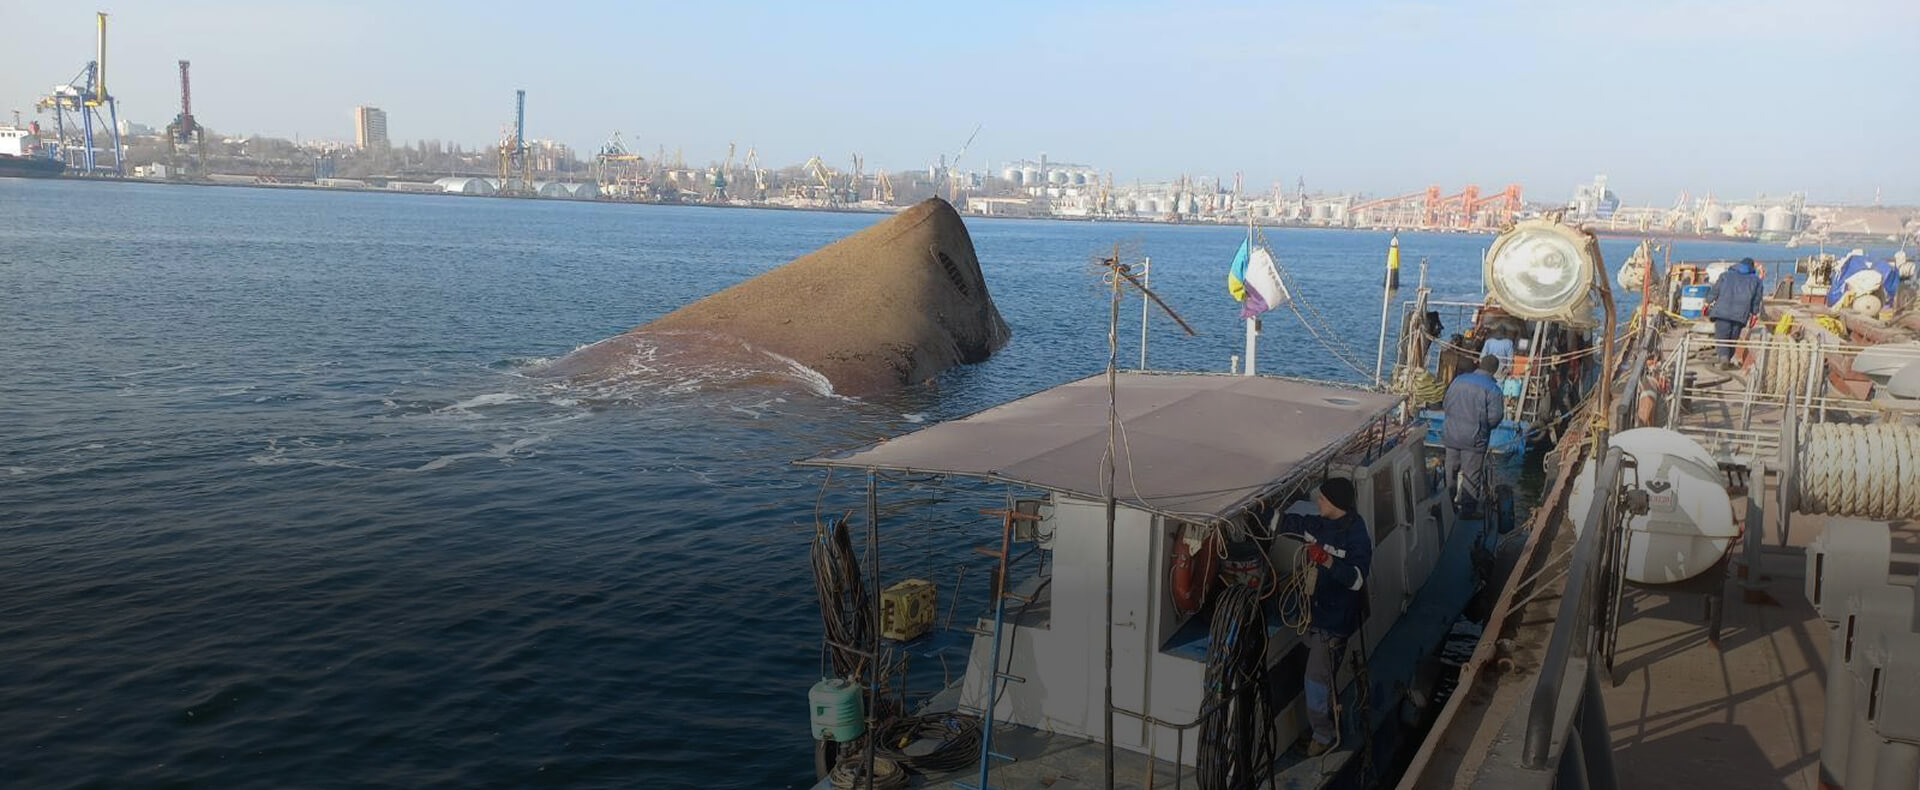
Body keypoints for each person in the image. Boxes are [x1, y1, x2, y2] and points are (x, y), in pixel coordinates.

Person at [1277, 477, 1373, 757]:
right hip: (1315, 612)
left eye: (1322, 499)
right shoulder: (1320, 524)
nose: (1317, 502)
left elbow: (1356, 580)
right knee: (1318, 674)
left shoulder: (1357, 535)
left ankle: (1325, 734)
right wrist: (1262, 513)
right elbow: (1291, 524)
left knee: (1315, 680)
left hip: (1333, 622)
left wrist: (1327, 560)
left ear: (1336, 504)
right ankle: (1322, 721)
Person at [1442, 354, 1504, 516]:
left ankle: (1448, 506)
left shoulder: (1458, 380)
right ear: (1495, 370)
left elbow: (1446, 403)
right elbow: (1495, 417)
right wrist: (1482, 427)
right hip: (1474, 439)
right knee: (1471, 475)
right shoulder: (1493, 389)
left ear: (1480, 365)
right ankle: (1468, 510)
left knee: (1450, 471)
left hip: (1452, 435)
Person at [1707, 257, 1764, 367]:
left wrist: (1707, 302)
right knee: (1733, 338)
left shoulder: (1725, 275)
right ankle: (1727, 359)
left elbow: (1715, 291)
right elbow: (1756, 299)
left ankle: (1724, 358)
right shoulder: (1756, 280)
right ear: (1752, 268)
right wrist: (1754, 313)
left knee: (1722, 336)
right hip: (1740, 314)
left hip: (1722, 312)